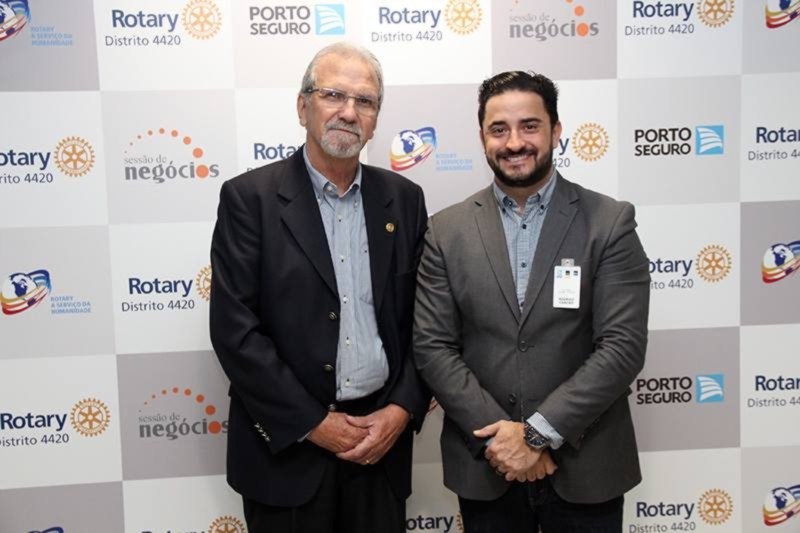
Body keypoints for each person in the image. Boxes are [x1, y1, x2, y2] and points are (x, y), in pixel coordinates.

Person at [413, 70, 650, 532]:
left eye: (529, 126)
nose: (514, 142)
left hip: (588, 465)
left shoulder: (610, 222)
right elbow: (432, 346)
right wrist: (504, 441)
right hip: (487, 465)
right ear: (482, 138)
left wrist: (538, 434)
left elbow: (622, 347)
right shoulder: (446, 230)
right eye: (499, 129)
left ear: (556, 131)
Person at [209, 42, 429, 533]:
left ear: (375, 119)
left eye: (364, 101)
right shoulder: (250, 200)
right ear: (302, 106)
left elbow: (426, 323)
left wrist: (401, 409)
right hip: (287, 455)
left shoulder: (405, 200)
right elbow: (235, 332)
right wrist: (313, 424)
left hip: (380, 448)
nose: (348, 112)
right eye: (333, 95)